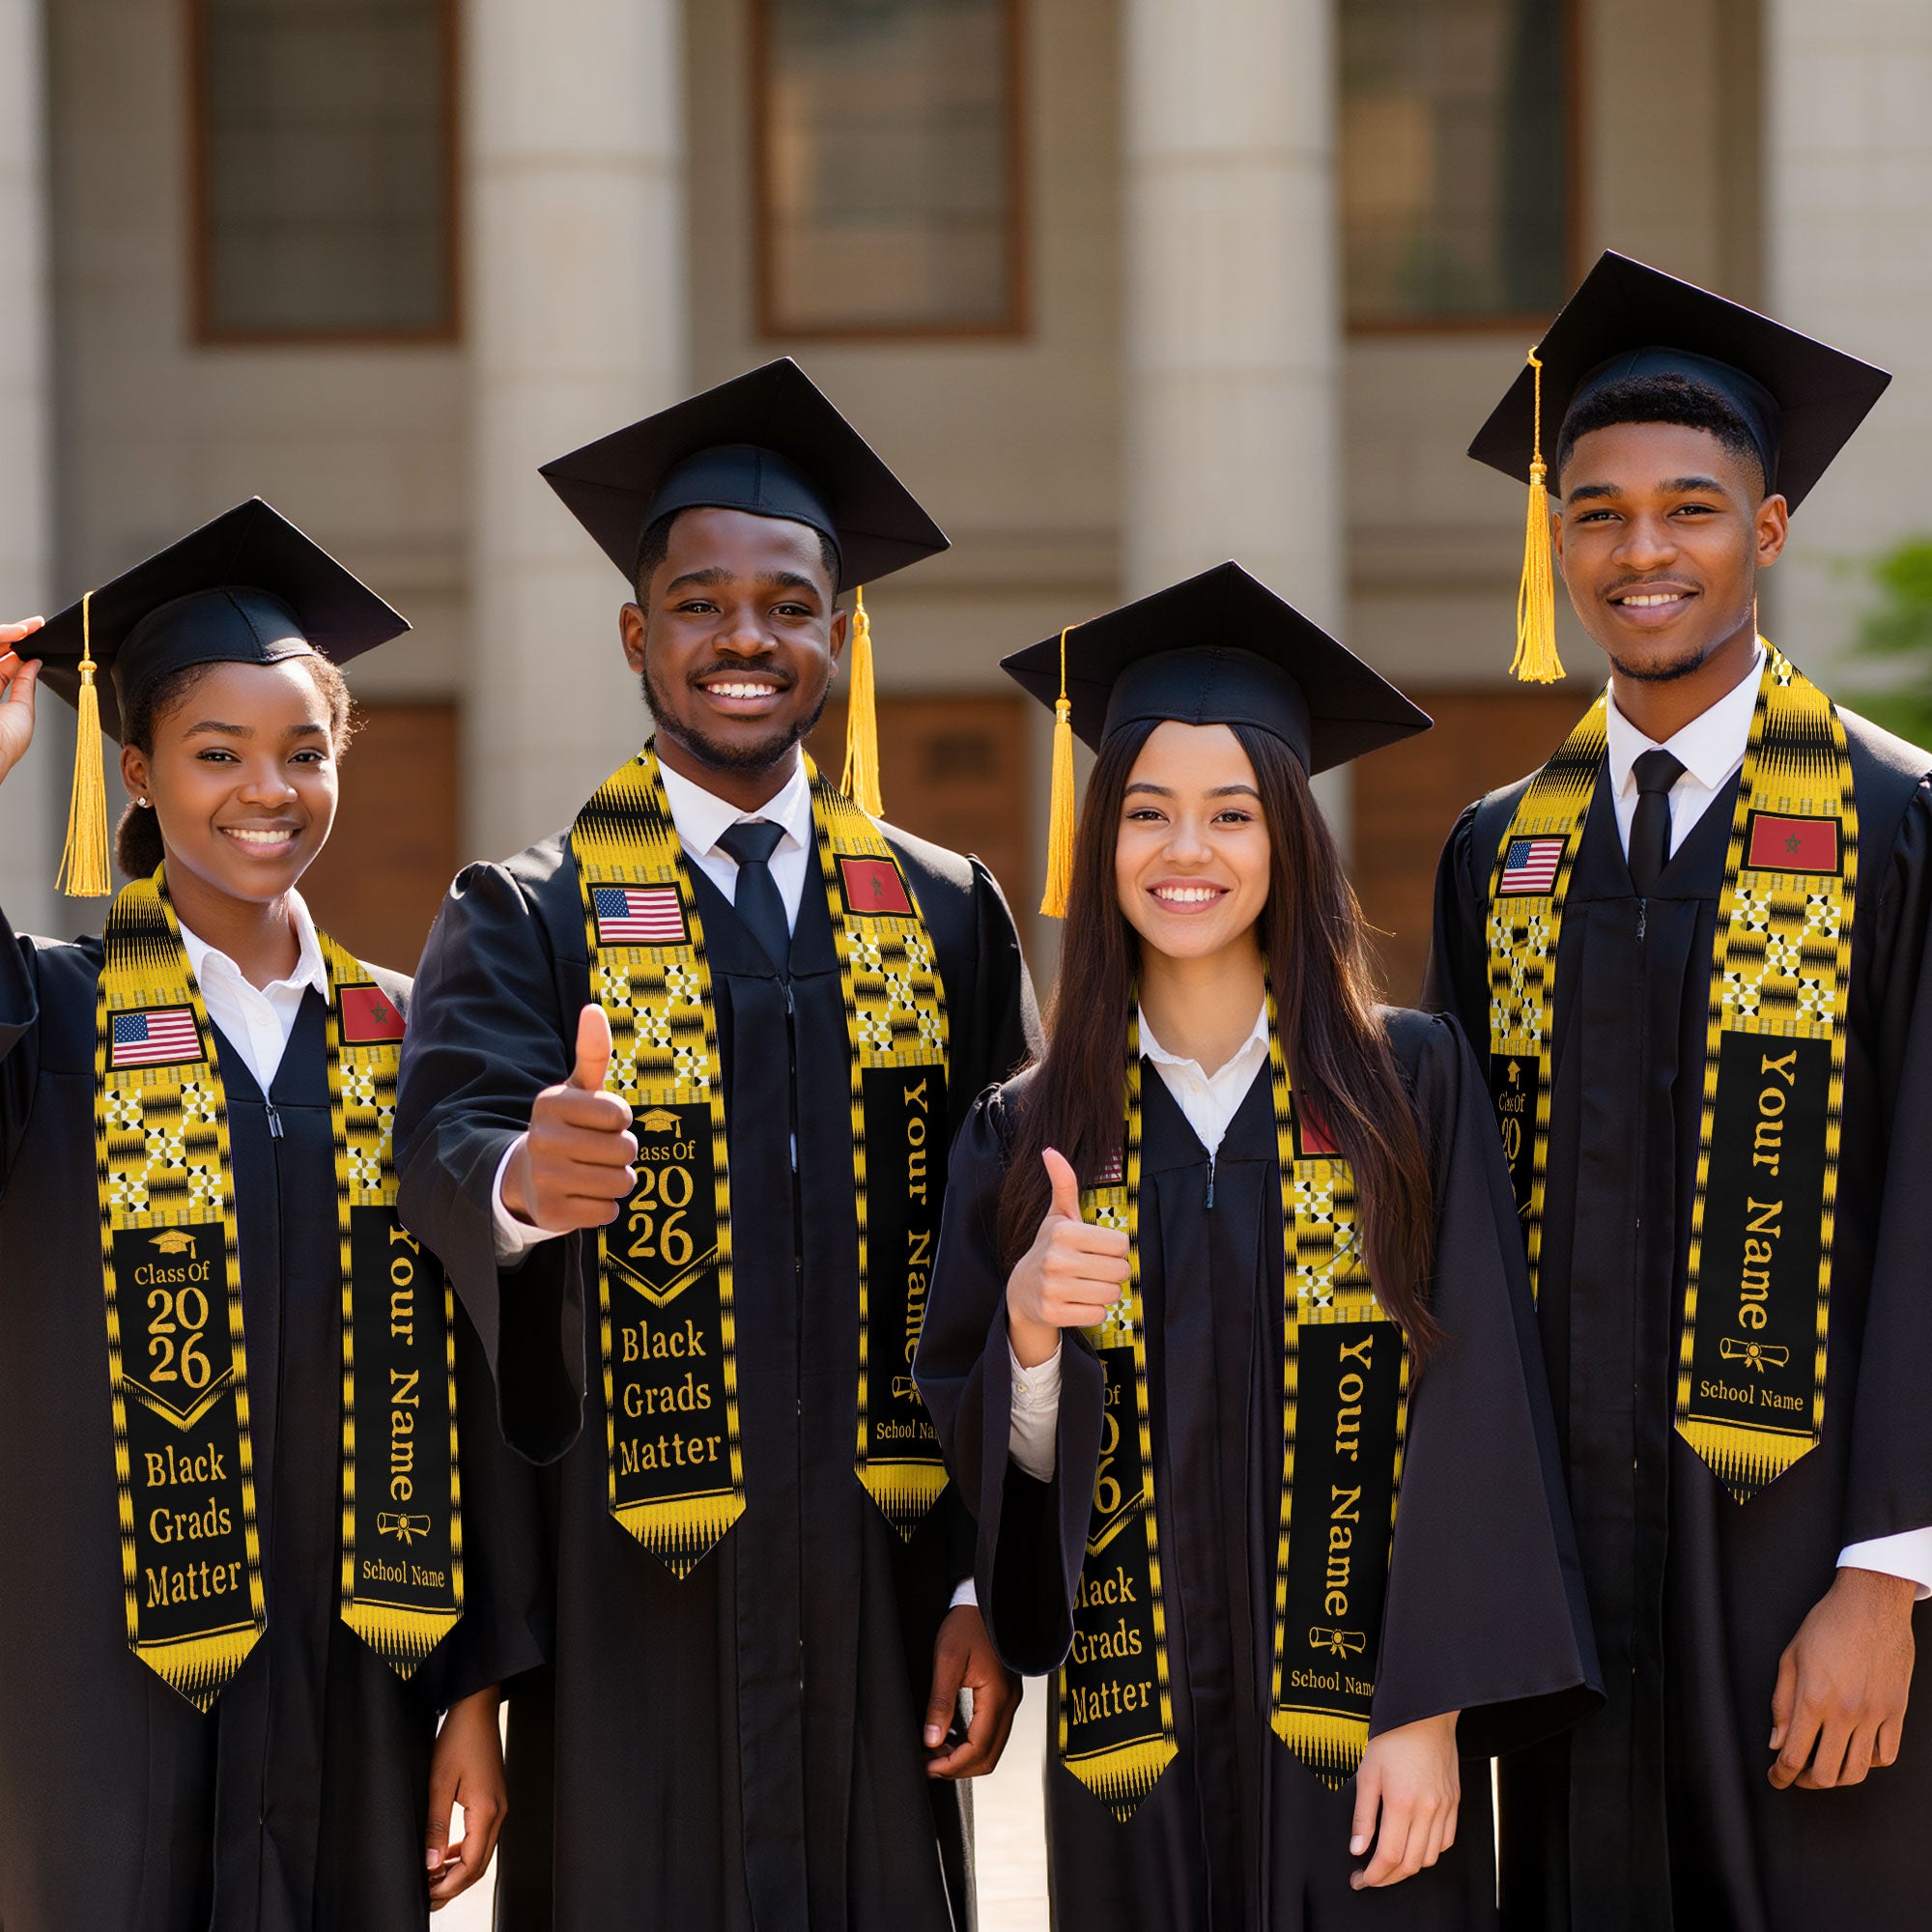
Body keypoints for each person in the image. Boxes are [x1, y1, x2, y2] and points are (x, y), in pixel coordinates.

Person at [393, 358, 1039, 1929]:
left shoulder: (944, 912)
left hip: (883, 1595)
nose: (744, 638)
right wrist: (521, 1183)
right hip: (632, 1610)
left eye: (788, 603)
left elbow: (1015, 1248)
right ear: (638, 633)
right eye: (698, 603)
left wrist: (980, 1588)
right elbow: (438, 1153)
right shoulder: (530, 913)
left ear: (840, 634)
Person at [916, 562, 1599, 1930]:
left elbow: (1480, 1406)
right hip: (1134, 1753)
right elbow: (993, 1469)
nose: (1188, 853)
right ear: (1100, 841)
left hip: (1367, 1741)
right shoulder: (1029, 1128)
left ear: (1288, 838)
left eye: (1231, 814)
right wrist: (1033, 1341)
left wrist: (1430, 1707)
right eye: (1149, 813)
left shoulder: (1412, 1089)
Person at [1427, 251, 1932, 1932]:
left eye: (1692, 508)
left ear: (1769, 531)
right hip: (1566, 1569)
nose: (1643, 552)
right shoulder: (1503, 854)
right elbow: (1452, 1230)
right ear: (1555, 539)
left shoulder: (1900, 823)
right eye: (1598, 511)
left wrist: (1890, 1570)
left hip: (1807, 1561)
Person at [0, 498, 546, 1931]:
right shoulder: (51, 1018)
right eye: (216, 754)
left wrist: (476, 1700)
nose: (268, 790)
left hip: (355, 1674)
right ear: (134, 771)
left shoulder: (414, 1040)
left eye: (305, 753)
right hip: (93, 1688)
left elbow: (483, 1383)